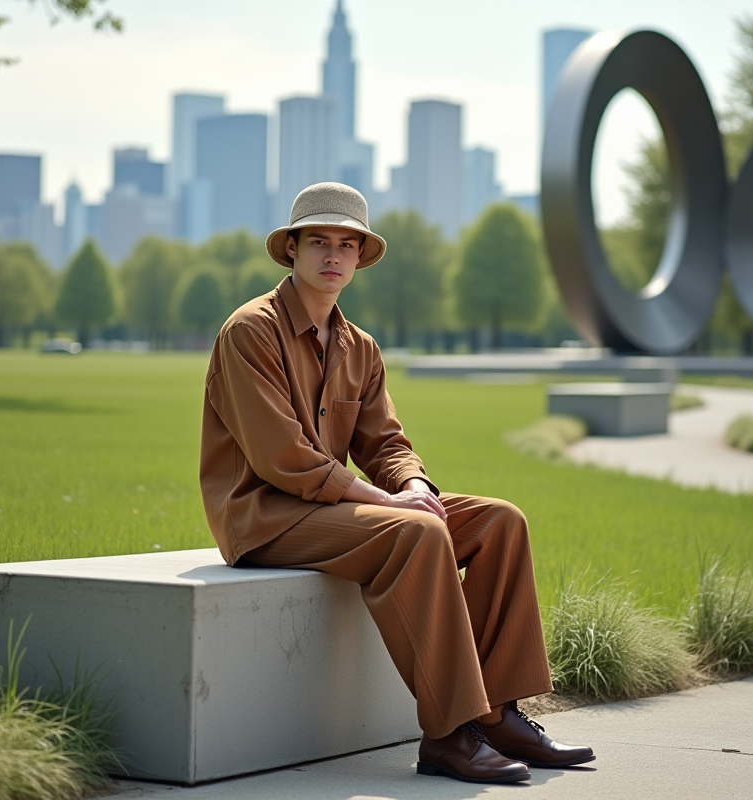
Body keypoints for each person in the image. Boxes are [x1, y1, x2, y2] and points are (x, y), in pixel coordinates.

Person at [199, 182, 593, 784]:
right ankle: (448, 736)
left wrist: (411, 485)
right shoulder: (251, 331)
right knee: (415, 535)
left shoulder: (361, 347)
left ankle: (499, 713)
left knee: (499, 522)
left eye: (346, 244)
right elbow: (284, 459)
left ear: (360, 257)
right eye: (319, 242)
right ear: (292, 251)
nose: (333, 255)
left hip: (332, 512)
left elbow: (385, 444)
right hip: (264, 517)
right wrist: (386, 502)